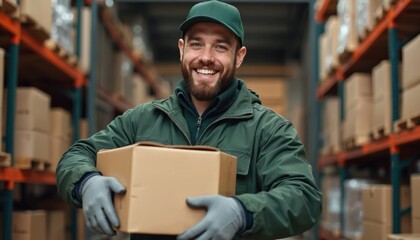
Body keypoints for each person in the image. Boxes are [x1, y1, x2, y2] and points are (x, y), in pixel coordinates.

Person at [56, 1, 322, 239]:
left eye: (220, 46)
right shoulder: (143, 119)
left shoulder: (268, 129)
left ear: (238, 56)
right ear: (182, 49)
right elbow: (78, 154)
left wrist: (243, 212)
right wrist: (85, 182)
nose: (206, 57)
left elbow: (304, 198)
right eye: (196, 44)